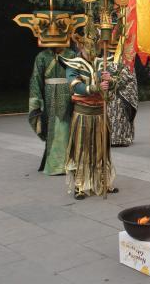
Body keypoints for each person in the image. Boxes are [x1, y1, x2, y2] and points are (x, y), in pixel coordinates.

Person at [59, 30, 117, 200]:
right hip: (83, 113)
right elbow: (74, 85)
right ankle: (80, 185)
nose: (92, 50)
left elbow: (111, 88)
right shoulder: (73, 63)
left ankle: (103, 182)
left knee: (102, 149)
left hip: (100, 113)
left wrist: (111, 81)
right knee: (82, 149)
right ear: (81, 45)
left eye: (95, 45)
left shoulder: (103, 62)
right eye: (88, 46)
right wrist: (94, 88)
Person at [29, 47, 75, 175]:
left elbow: (78, 75)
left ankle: (70, 163)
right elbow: (36, 80)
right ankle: (55, 165)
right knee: (53, 128)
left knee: (68, 128)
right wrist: (36, 102)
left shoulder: (71, 54)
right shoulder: (42, 56)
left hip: (68, 94)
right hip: (49, 96)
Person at [106, 54, 138, 147]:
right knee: (110, 114)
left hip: (122, 94)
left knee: (121, 114)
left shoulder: (127, 60)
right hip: (111, 94)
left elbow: (125, 78)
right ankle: (111, 138)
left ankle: (122, 138)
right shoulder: (107, 60)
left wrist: (112, 80)